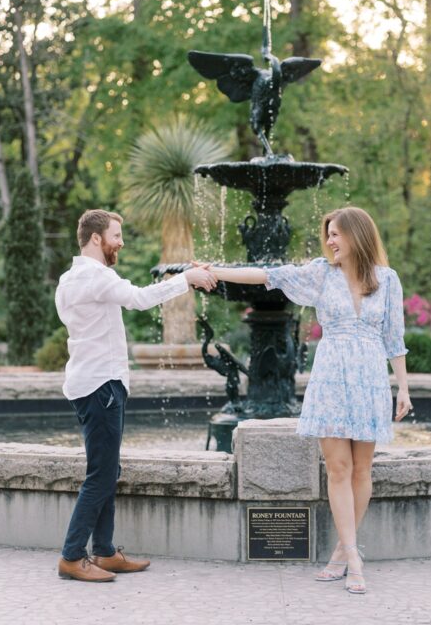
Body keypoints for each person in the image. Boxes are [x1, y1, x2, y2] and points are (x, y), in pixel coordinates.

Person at [205, 206, 411, 594]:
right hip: (331, 377)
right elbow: (267, 275)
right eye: (328, 234)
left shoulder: (387, 279)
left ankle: (340, 553)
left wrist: (403, 387)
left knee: (362, 471)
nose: (330, 241)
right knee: (338, 468)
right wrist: (217, 271)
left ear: (357, 235)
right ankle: (353, 558)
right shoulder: (321, 273)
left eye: (336, 234)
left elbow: (394, 339)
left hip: (369, 379)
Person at [55, 209, 217, 582]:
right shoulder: (95, 277)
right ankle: (71, 556)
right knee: (100, 474)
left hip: (93, 383)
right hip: (101, 386)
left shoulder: (70, 278)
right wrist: (186, 279)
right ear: (96, 238)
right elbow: (141, 298)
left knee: (109, 470)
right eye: (116, 235)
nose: (121, 242)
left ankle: (106, 552)